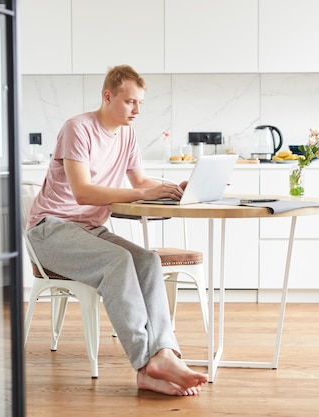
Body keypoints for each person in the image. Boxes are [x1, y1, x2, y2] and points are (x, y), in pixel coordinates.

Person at [25, 64, 208, 396]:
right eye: (129, 102)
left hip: (88, 230)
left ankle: (163, 354)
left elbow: (141, 181)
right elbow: (83, 192)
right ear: (108, 96)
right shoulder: (77, 129)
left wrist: (172, 188)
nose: (136, 110)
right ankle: (145, 361)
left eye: (140, 103)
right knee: (118, 261)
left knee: (148, 261)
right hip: (49, 230)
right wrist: (143, 193)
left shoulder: (126, 134)